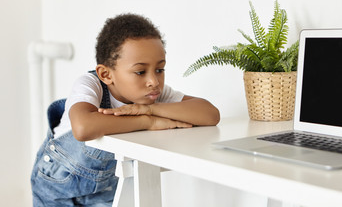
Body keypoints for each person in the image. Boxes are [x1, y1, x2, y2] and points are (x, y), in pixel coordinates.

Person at [31, 13, 220, 206]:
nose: (154, 81)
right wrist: (149, 122)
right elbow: (83, 128)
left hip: (104, 191)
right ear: (106, 74)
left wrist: (150, 110)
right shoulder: (91, 84)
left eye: (159, 69)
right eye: (140, 72)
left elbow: (210, 114)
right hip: (56, 186)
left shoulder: (153, 95)